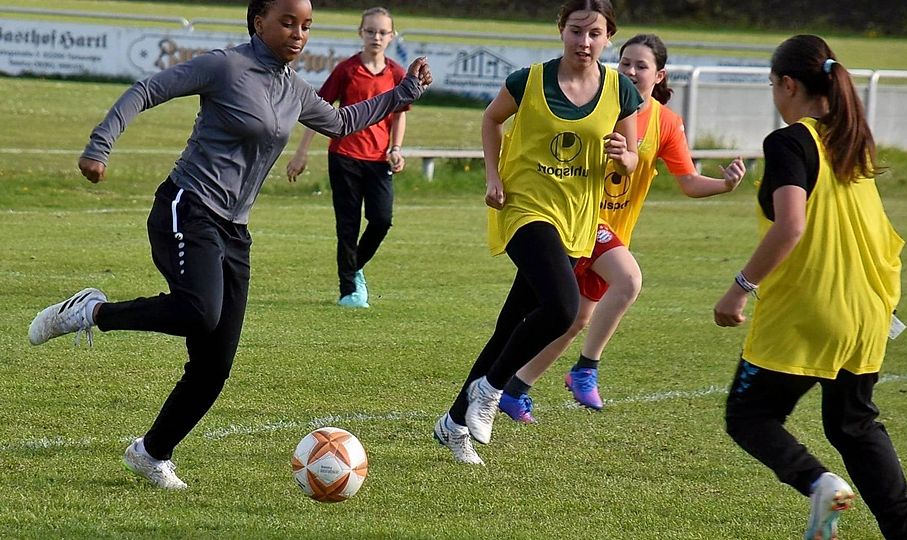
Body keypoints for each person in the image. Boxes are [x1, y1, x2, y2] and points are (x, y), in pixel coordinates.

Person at [26, 0, 431, 490]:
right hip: (186, 205)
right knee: (200, 311)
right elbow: (148, 89)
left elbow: (343, 122)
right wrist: (99, 145)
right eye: (287, 22)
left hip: (235, 230)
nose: (298, 33)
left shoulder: (295, 89)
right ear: (259, 22)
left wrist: (403, 92)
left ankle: (152, 452)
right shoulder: (225, 66)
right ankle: (93, 311)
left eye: (306, 25)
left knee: (214, 365)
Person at [713, 35, 907, 540]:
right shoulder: (851, 141)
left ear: (788, 84)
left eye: (773, 85)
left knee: (749, 417)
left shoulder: (789, 142)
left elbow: (791, 225)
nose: (774, 94)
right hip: (869, 309)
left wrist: (739, 288)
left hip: (810, 309)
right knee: (853, 426)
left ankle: (819, 483)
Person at [432, 0, 641, 465]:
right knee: (564, 307)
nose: (584, 42)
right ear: (560, 30)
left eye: (594, 34)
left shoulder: (620, 90)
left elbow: (631, 160)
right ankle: (489, 390)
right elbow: (490, 119)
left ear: (608, 38)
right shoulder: (528, 80)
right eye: (575, 31)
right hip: (524, 208)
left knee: (510, 327)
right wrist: (492, 177)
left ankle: (453, 424)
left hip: (577, 220)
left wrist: (623, 156)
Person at [497, 33, 746, 423]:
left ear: (659, 75)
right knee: (628, 280)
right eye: (625, 62)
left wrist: (726, 185)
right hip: (580, 220)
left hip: (615, 231)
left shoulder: (666, 123)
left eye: (641, 65)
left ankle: (515, 389)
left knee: (575, 317)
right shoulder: (602, 99)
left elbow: (688, 181)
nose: (630, 70)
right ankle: (584, 369)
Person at [285, 7, 408, 308]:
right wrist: (301, 152)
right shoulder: (347, 70)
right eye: (370, 31)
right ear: (360, 33)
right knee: (348, 226)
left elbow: (400, 113)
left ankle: (355, 267)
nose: (376, 37)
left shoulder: (396, 73)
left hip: (379, 160)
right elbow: (319, 110)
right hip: (344, 156)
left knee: (381, 220)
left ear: (391, 37)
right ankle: (349, 292)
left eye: (382, 32)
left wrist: (396, 148)